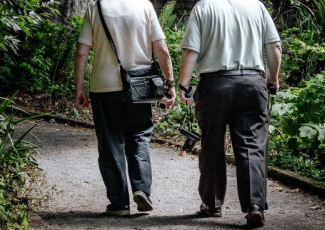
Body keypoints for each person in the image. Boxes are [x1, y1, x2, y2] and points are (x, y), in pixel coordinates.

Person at [179, 0, 282, 227]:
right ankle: (255, 205)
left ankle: (213, 204)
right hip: (251, 83)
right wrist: (272, 80)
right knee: (252, 146)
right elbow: (274, 46)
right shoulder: (256, 6)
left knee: (212, 144)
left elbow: (190, 50)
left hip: (213, 85)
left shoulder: (204, 7)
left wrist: (183, 86)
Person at [74, 0, 175, 217]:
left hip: (104, 88)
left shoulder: (96, 7)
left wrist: (79, 88)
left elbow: (82, 52)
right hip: (139, 87)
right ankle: (141, 188)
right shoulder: (145, 6)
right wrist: (170, 83)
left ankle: (119, 203)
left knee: (110, 142)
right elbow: (161, 49)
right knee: (139, 136)